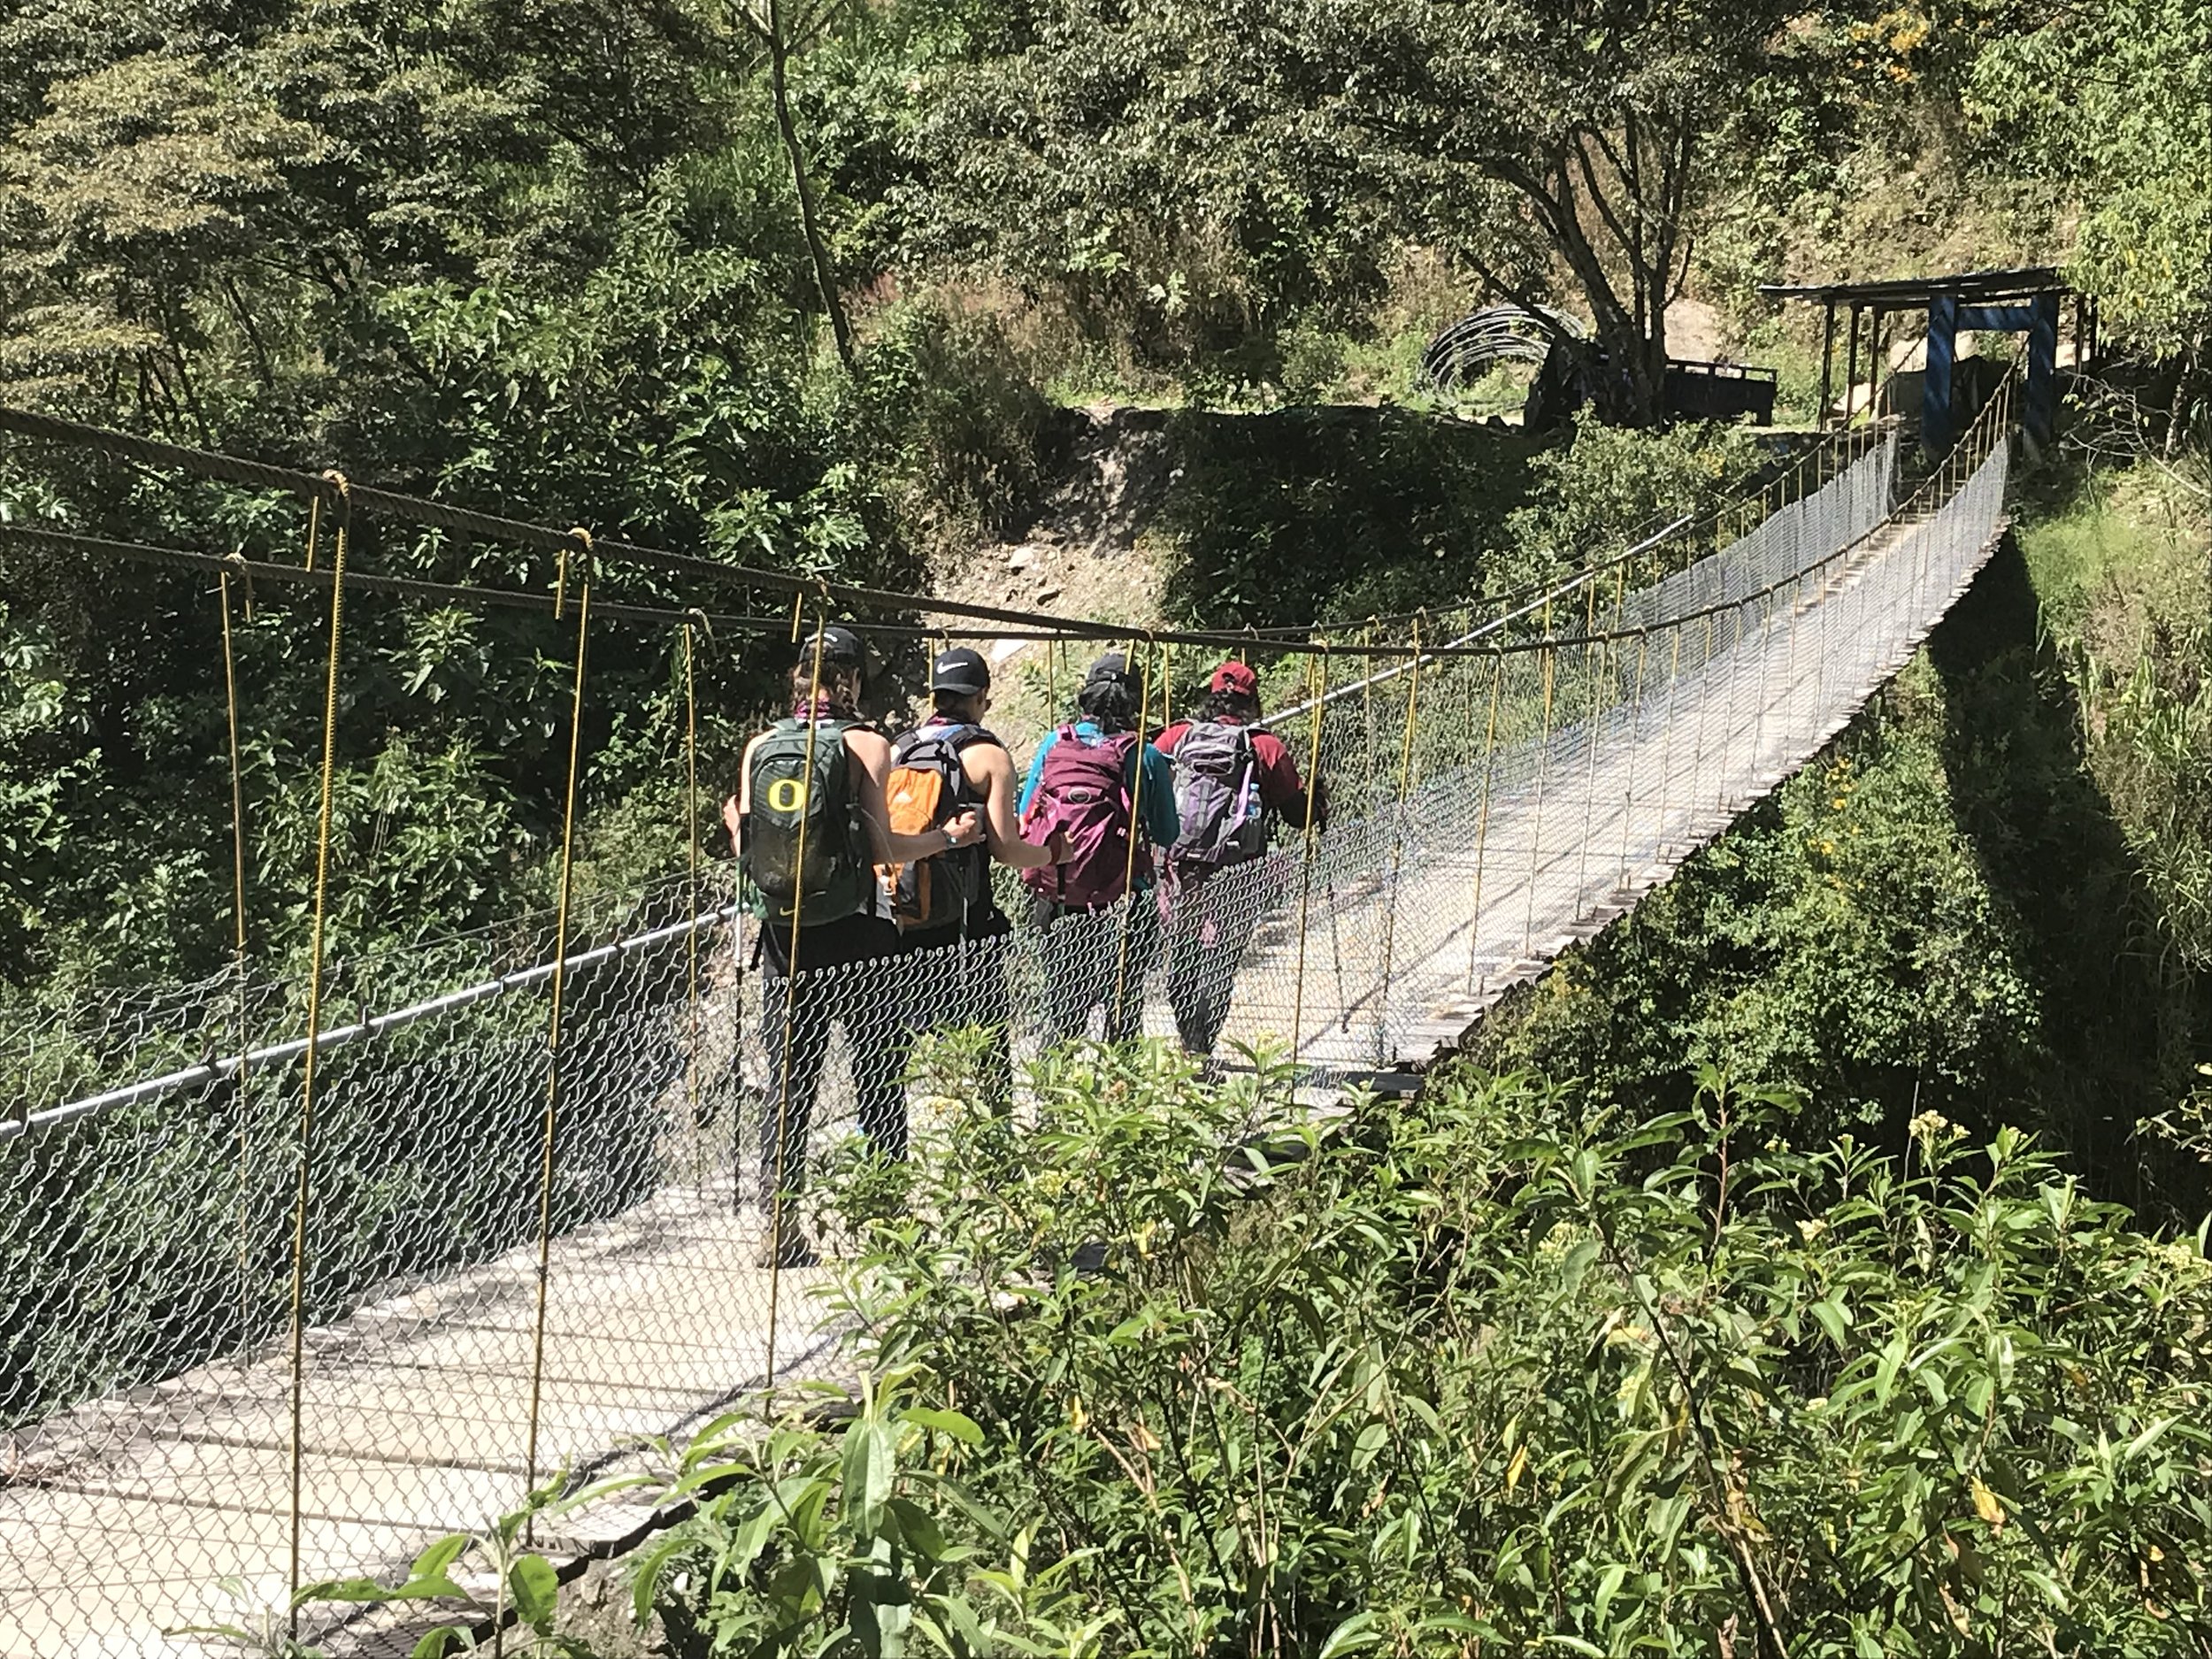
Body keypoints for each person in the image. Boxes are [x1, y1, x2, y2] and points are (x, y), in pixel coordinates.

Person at [724, 625, 985, 1267]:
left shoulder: (761, 745)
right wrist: (949, 838)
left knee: (789, 1083)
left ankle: (777, 1225)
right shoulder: (868, 743)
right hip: (862, 934)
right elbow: (884, 849)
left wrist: (735, 824)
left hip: (786, 940)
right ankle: (887, 1218)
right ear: (852, 680)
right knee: (876, 1072)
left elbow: (753, 852)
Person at [882, 647, 1070, 1102]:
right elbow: (1006, 848)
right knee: (985, 1039)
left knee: (898, 1050)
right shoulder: (988, 755)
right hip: (968, 925)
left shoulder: (897, 748)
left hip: (901, 916)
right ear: (981, 696)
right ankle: (995, 1131)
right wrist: (1051, 854)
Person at [1152, 660, 1326, 1061]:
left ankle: (1188, 1041)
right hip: (1235, 873)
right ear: (1252, 702)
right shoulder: (1263, 745)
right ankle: (1202, 1048)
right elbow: (1297, 816)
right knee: (1222, 959)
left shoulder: (1177, 737)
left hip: (1179, 869)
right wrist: (1316, 796)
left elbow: (1145, 784)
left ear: (1210, 698)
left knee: (1182, 952)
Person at [1018, 651, 1179, 1047]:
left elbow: (1026, 816)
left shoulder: (1054, 743)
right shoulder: (1144, 753)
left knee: (1063, 1007)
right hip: (1125, 897)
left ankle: (1056, 1099)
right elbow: (1166, 832)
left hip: (1059, 895)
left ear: (1086, 696)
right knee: (1123, 1004)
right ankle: (1120, 1093)